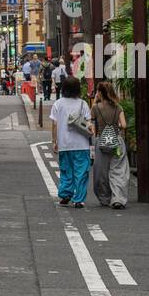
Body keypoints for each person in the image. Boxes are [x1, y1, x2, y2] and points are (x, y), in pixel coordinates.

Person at [50, 75, 92, 208]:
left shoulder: (58, 104)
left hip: (64, 144)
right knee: (81, 172)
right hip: (81, 144)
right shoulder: (83, 103)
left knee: (66, 170)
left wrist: (54, 141)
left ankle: (65, 194)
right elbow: (88, 123)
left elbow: (55, 124)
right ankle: (78, 199)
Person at [90, 80, 130, 210]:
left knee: (101, 171)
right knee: (118, 170)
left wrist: (96, 100)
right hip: (116, 142)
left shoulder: (96, 107)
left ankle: (105, 198)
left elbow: (91, 123)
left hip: (102, 142)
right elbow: (124, 125)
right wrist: (115, 126)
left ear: (100, 93)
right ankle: (118, 198)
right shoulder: (118, 107)